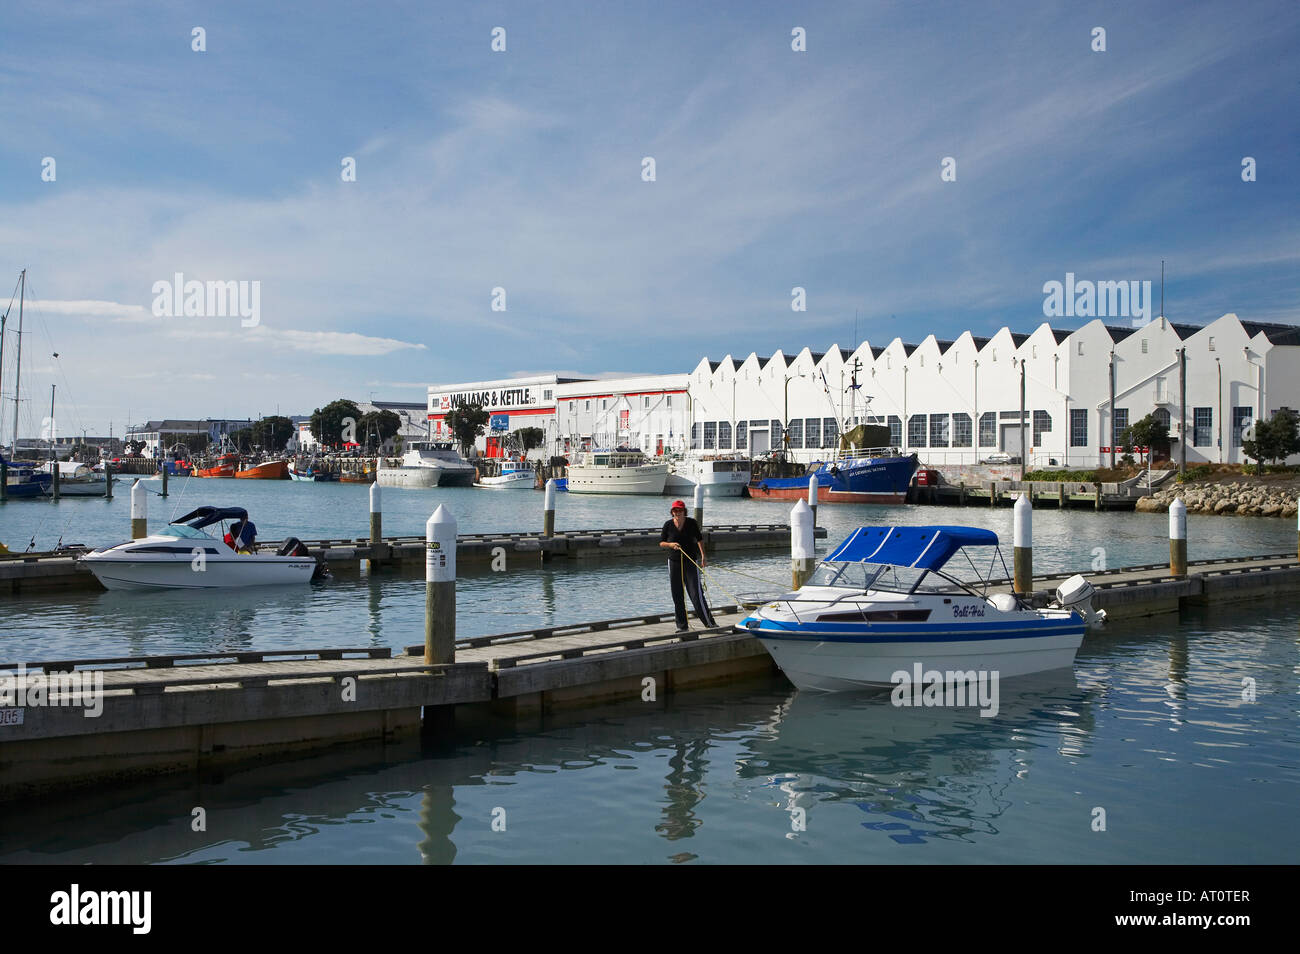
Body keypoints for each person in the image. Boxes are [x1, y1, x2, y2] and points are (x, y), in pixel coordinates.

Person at [659, 499, 715, 633]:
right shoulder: (668, 525)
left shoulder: (691, 523)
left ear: (684, 511)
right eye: (675, 510)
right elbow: (661, 542)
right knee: (677, 595)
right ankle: (682, 626)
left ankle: (709, 623)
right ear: (672, 512)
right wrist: (670, 545)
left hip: (690, 561)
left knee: (696, 594)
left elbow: (700, 539)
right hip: (673, 562)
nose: (677, 512)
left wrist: (703, 557)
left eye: (680, 510)